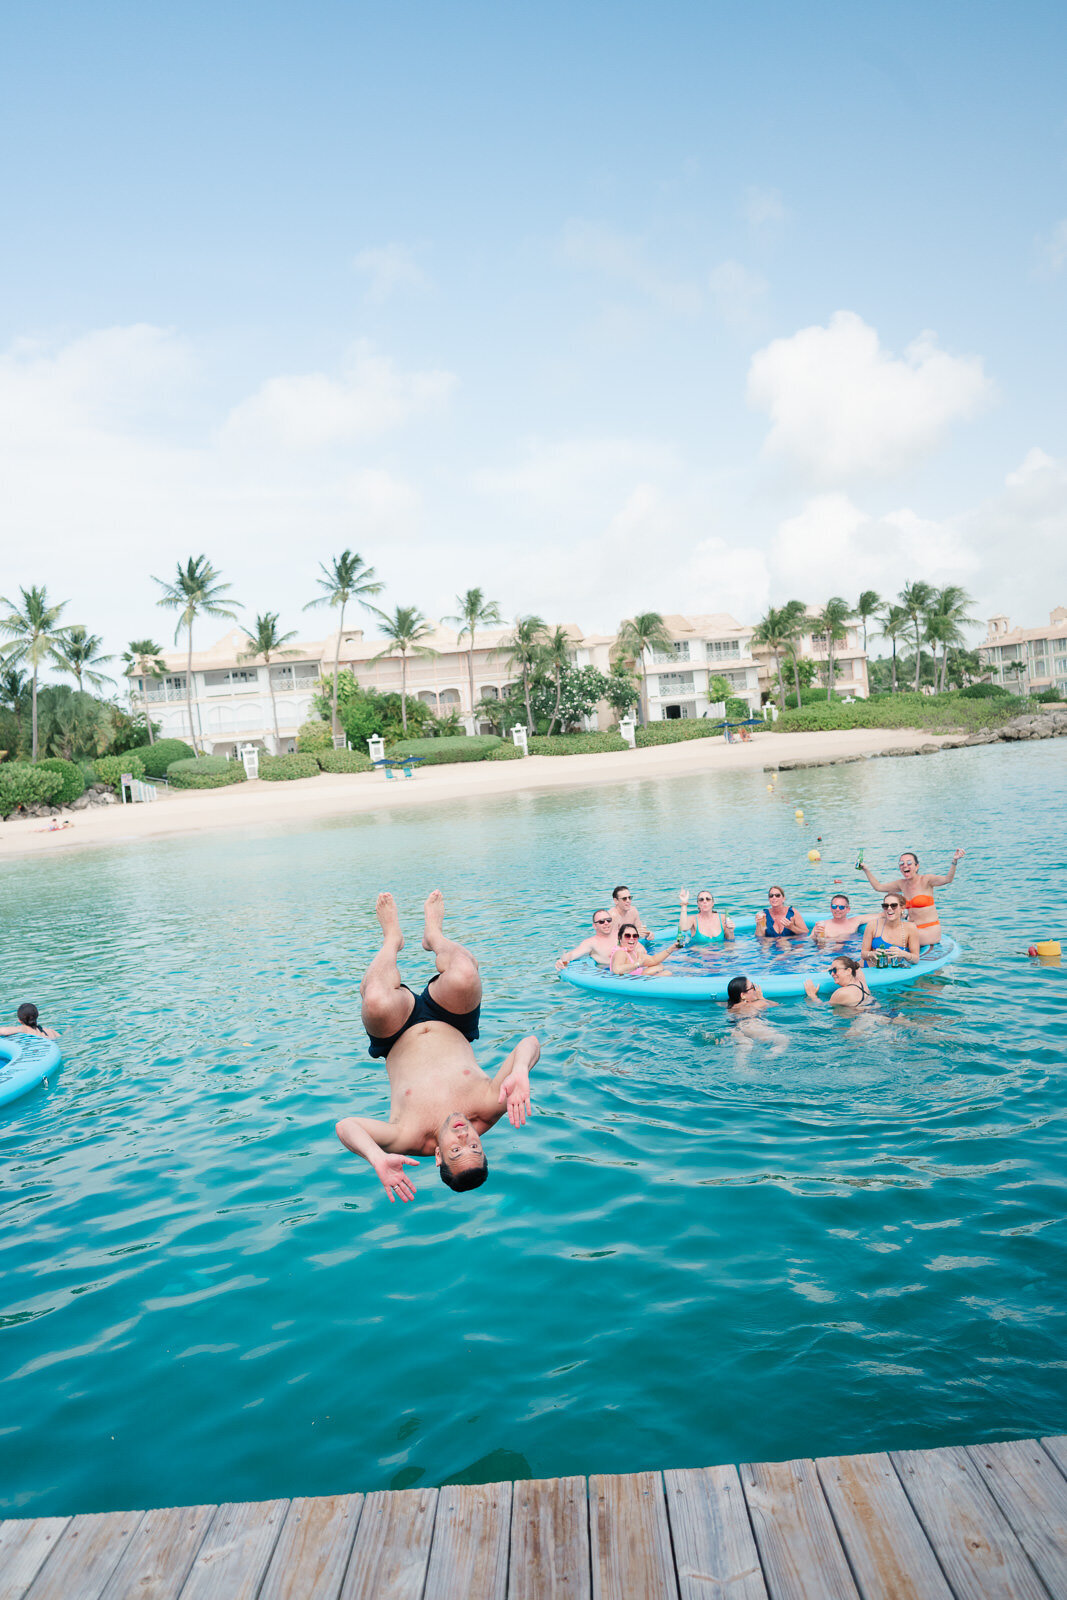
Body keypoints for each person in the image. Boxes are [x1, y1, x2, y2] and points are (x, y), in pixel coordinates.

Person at [335, 891, 538, 1202]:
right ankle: (434, 935)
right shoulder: (488, 1109)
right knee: (466, 973)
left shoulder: (409, 1136)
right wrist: (522, 1070)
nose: (464, 1135)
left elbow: (346, 1126)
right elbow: (530, 1042)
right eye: (474, 1146)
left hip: (395, 1033)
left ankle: (392, 939)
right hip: (451, 1020)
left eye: (457, 1149)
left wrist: (376, 1158)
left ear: (440, 1157)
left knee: (375, 997)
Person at [857, 848, 963, 947]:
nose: (905, 866)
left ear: (917, 866)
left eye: (909, 863)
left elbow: (947, 879)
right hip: (913, 928)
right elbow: (878, 887)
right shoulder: (901, 884)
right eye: (901, 863)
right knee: (879, 929)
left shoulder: (926, 880)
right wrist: (866, 869)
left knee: (892, 937)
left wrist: (954, 861)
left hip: (930, 930)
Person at [724, 975, 786, 1055]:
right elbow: (778, 1005)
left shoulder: (729, 1007)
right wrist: (761, 998)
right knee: (782, 1039)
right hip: (751, 1026)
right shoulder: (758, 1004)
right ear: (743, 995)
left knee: (745, 1047)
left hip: (733, 1029)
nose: (755, 990)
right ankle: (770, 1059)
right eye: (753, 987)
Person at [861, 893, 921, 966]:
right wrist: (872, 954)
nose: (889, 908)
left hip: (894, 971)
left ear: (902, 908)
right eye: (885, 906)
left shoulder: (910, 928)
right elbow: (863, 954)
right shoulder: (873, 925)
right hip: (871, 968)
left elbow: (916, 959)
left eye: (893, 905)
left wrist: (903, 954)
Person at [610, 923, 680, 978]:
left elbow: (653, 960)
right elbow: (617, 969)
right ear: (620, 938)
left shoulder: (634, 953)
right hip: (627, 986)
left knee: (658, 966)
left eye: (635, 936)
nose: (632, 938)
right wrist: (637, 965)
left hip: (635, 980)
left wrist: (671, 949)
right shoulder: (620, 952)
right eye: (627, 936)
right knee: (667, 973)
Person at [804, 956, 874, 1008]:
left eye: (835, 970)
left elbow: (822, 1007)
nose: (832, 974)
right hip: (877, 1012)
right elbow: (857, 967)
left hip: (863, 1022)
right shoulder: (861, 981)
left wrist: (813, 996)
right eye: (830, 971)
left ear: (849, 971)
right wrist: (834, 969)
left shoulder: (841, 993)